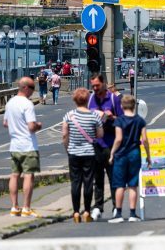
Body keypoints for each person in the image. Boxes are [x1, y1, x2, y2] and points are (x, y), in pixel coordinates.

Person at [62, 88, 104, 223]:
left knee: (75, 182)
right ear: (87, 100)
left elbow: (64, 135)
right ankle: (86, 211)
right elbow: (100, 135)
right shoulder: (94, 116)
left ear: (75, 100)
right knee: (88, 182)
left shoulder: (69, 116)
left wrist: (68, 149)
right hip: (89, 153)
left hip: (73, 152)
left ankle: (75, 212)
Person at [107, 94, 151, 223]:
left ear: (121, 106)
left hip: (121, 154)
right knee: (133, 184)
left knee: (119, 185)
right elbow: (145, 140)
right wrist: (148, 156)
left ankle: (119, 214)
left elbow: (118, 139)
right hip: (134, 153)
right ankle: (132, 213)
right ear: (133, 106)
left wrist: (112, 153)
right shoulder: (140, 121)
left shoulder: (119, 120)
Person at [3, 77, 42, 217]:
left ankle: (14, 207)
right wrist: (39, 125)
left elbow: (5, 123)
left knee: (14, 176)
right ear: (26, 88)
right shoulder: (27, 104)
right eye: (32, 89)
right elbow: (31, 126)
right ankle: (26, 208)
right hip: (28, 145)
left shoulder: (10, 103)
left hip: (14, 145)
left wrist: (16, 126)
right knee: (28, 176)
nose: (33, 92)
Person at [87, 73, 123, 221]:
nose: (95, 88)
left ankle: (116, 207)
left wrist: (111, 117)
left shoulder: (114, 99)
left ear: (103, 84)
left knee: (113, 177)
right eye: (93, 86)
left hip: (111, 144)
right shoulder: (91, 99)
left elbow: (123, 120)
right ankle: (98, 207)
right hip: (95, 144)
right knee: (98, 178)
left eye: (97, 85)